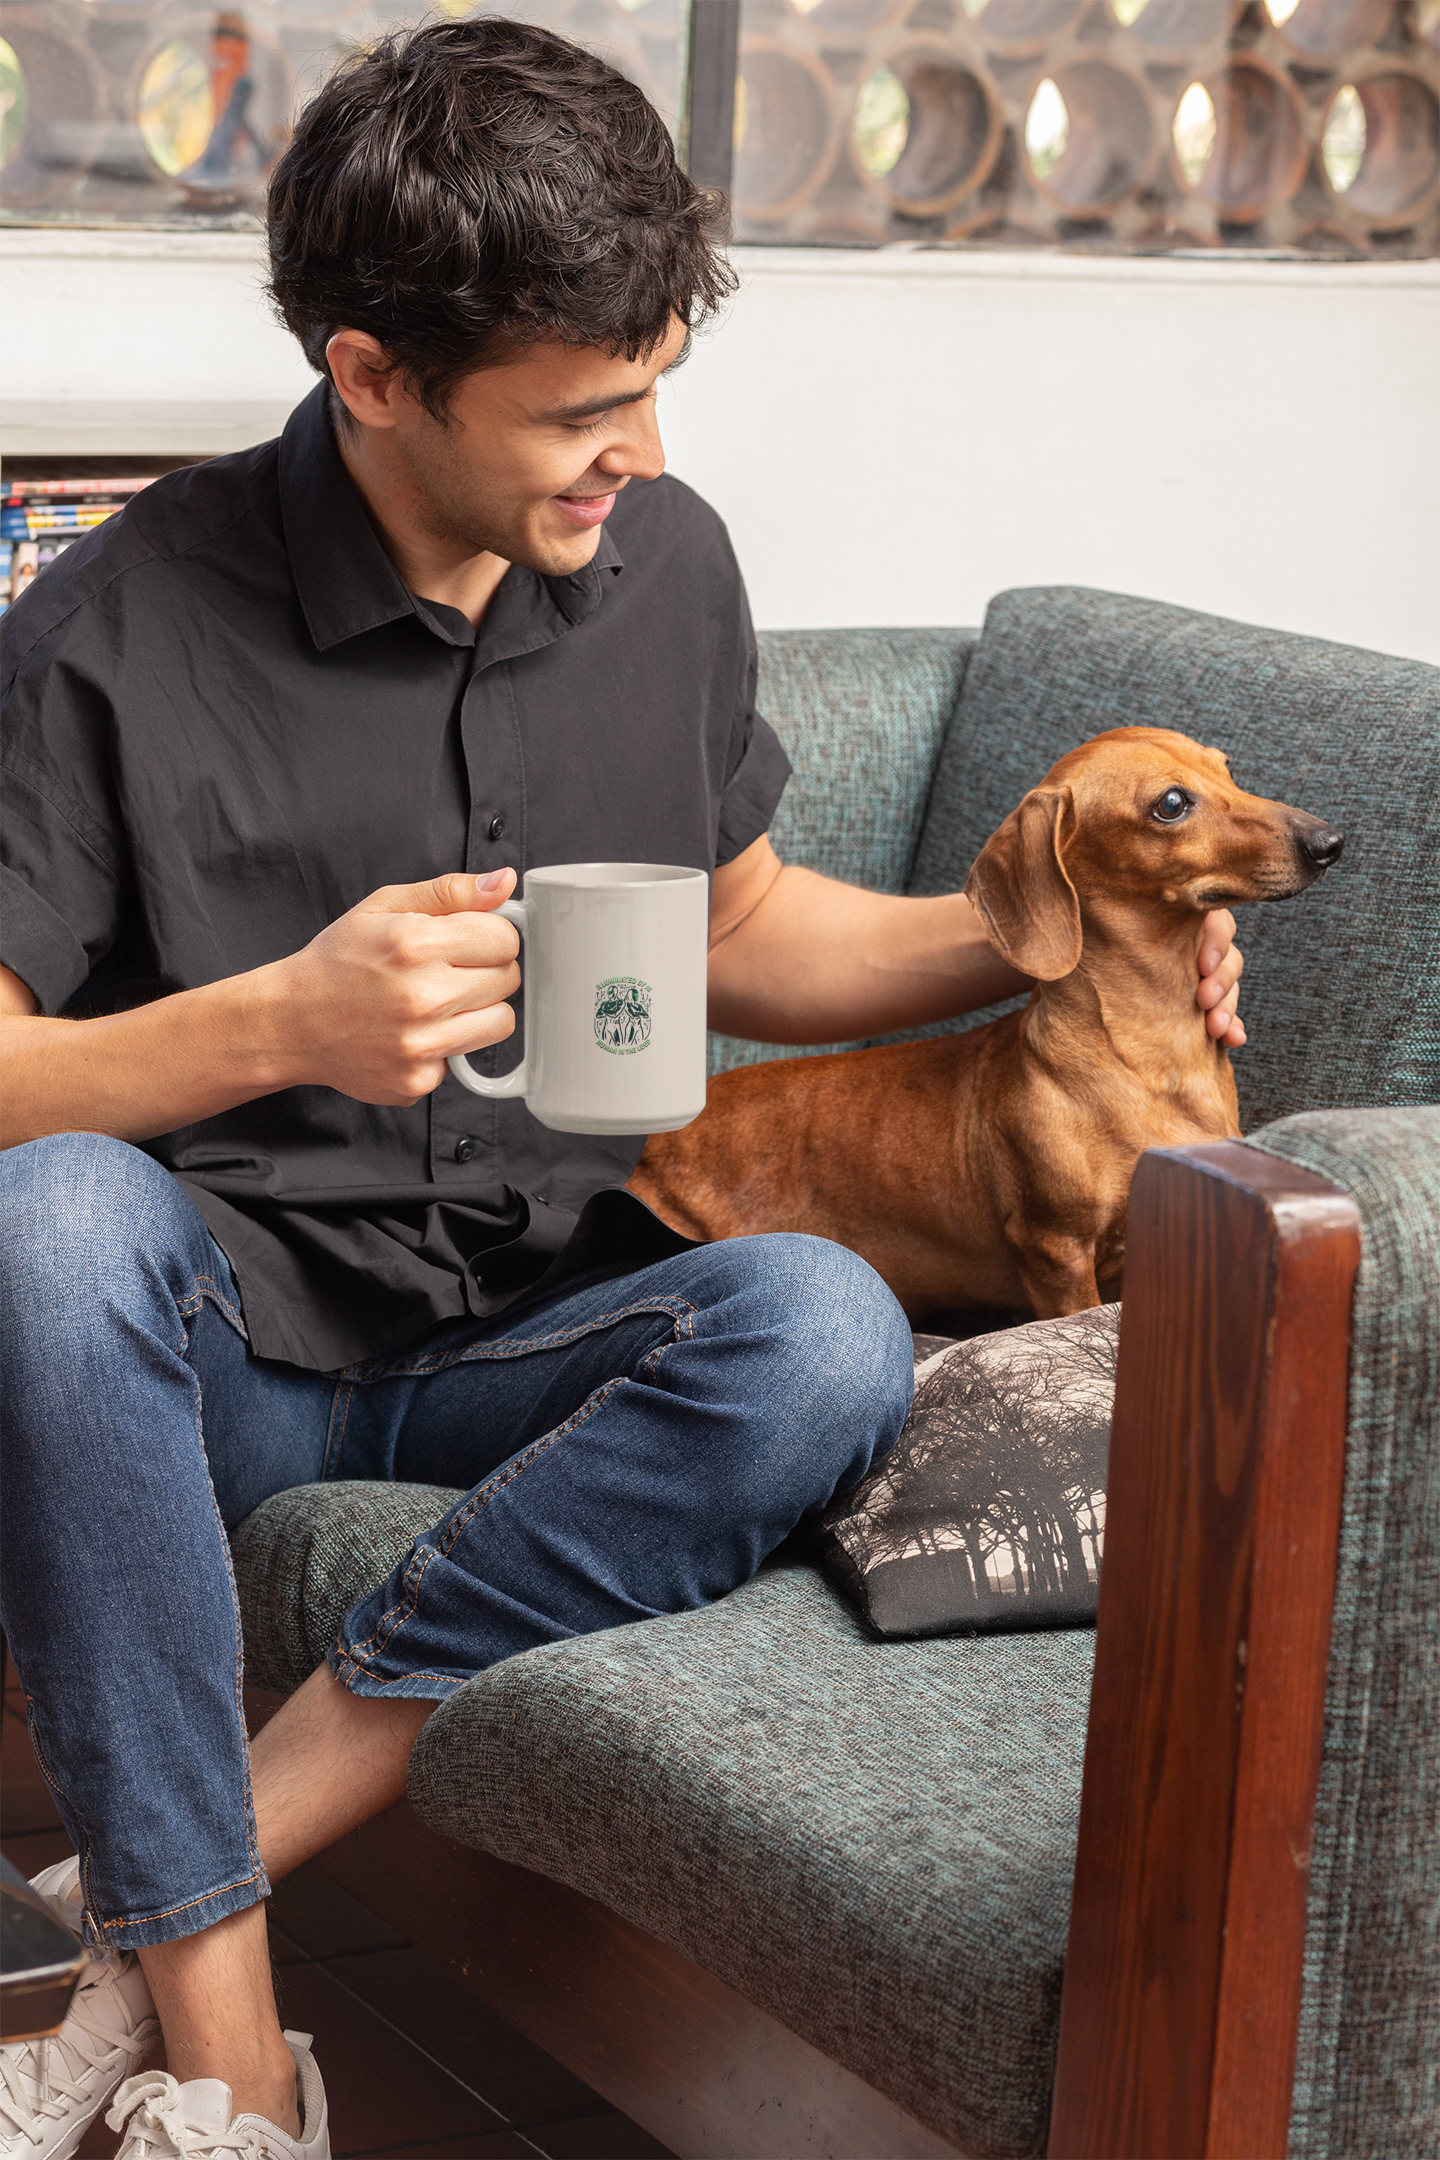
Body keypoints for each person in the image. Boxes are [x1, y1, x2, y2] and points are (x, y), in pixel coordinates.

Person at [0, 19, 1246, 2157]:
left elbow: (744, 925)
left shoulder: (662, 572)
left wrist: (1058, 932)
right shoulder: (120, 619)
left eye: (657, 385)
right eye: (584, 409)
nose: (641, 453)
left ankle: (198, 1856)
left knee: (824, 1326)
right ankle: (227, 2063)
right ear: (374, 375)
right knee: (45, 1232)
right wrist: (279, 1023)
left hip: (538, 1320)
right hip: (219, 1339)